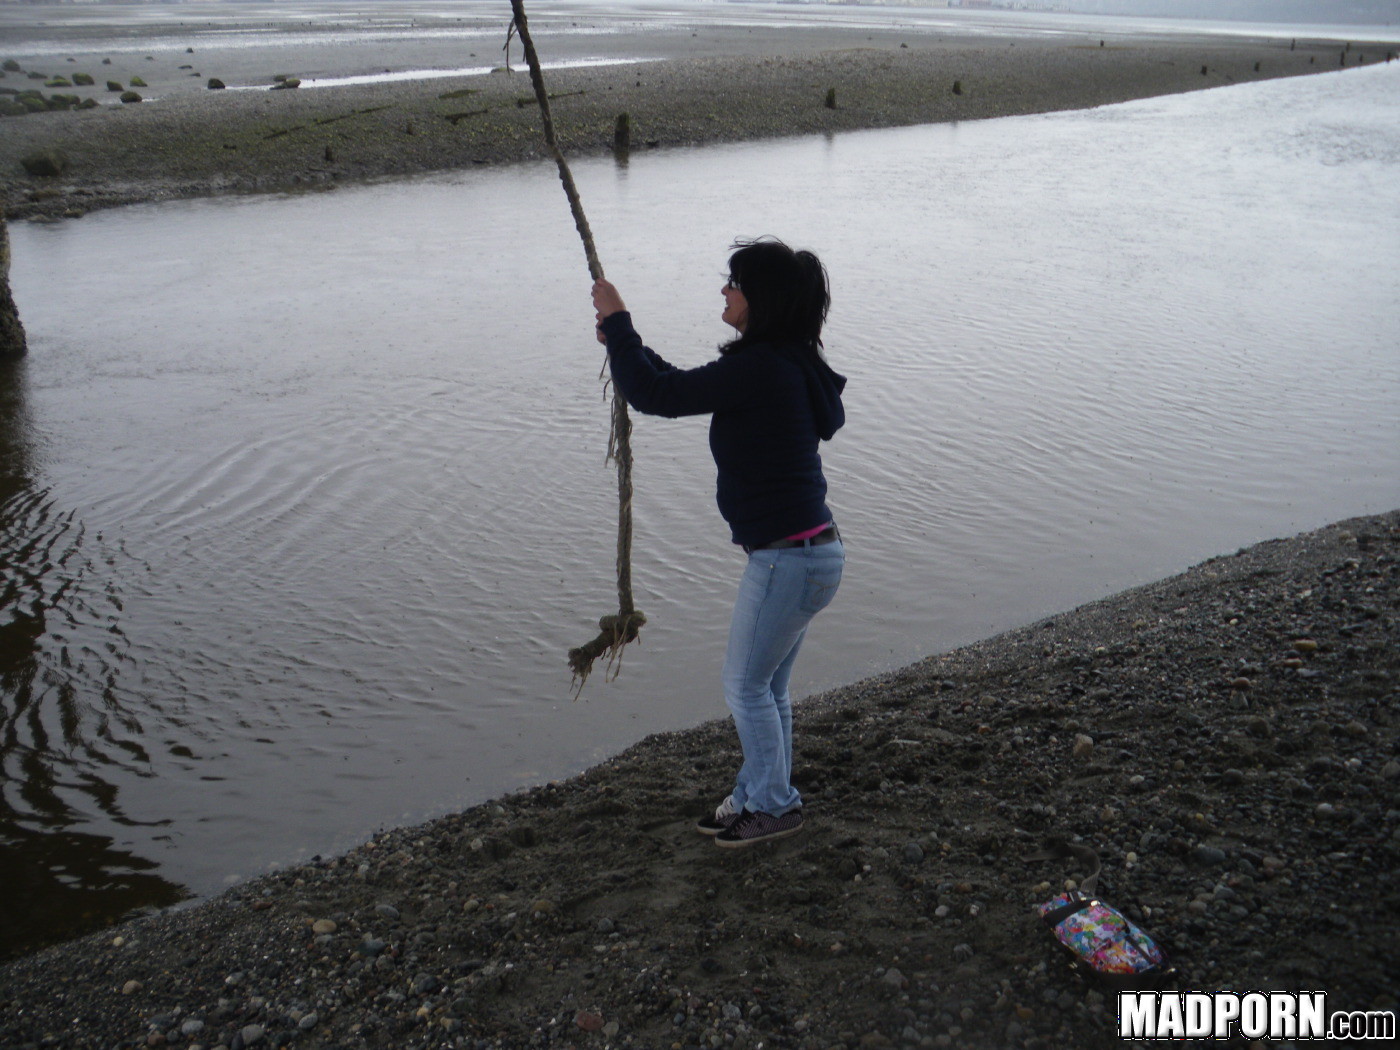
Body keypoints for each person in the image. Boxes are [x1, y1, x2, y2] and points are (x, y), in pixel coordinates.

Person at [591, 237, 846, 849]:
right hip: (810, 555)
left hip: (789, 559)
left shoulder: (760, 368)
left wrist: (620, 321)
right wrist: (625, 342)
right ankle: (759, 794)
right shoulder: (781, 362)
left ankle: (776, 804)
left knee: (744, 686)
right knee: (768, 688)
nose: (725, 291)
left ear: (762, 299)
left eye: (733, 283)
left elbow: (658, 396)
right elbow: (669, 382)